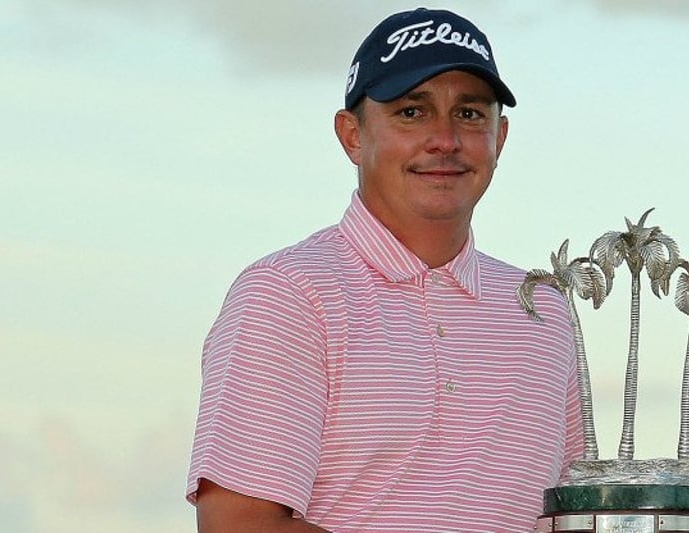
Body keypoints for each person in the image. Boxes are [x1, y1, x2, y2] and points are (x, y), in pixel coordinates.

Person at [185, 7, 583, 532]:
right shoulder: (289, 295)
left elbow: (573, 516)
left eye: (469, 114)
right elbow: (240, 523)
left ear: (499, 137)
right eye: (411, 112)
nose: (444, 139)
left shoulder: (543, 310)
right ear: (351, 134)